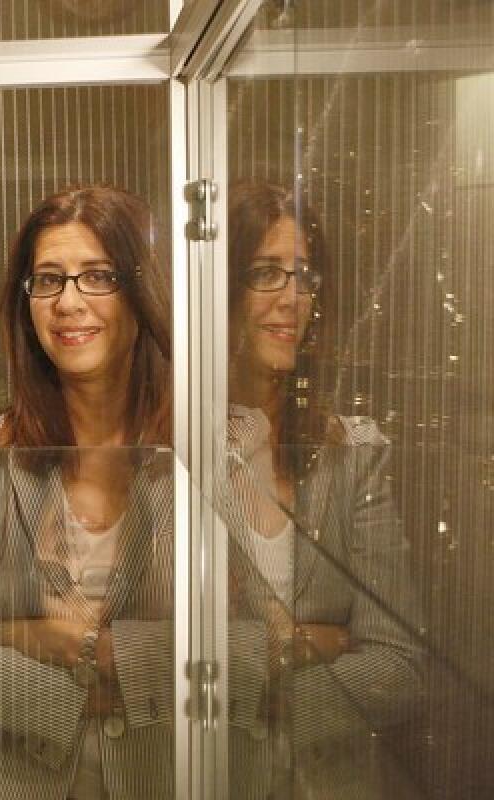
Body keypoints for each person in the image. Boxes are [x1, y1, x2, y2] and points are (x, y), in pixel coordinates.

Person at [0, 184, 246, 800]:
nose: (68, 302)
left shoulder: (211, 444)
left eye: (96, 276)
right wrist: (105, 685)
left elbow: (248, 647)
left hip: (171, 780)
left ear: (138, 294)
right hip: (13, 783)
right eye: (48, 280)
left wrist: (39, 636)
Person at [224, 180, 424, 799]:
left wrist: (263, 691)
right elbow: (147, 663)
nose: (291, 298)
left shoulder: (351, 452)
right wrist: (325, 644)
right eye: (265, 273)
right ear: (220, 287)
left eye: (305, 278)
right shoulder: (165, 452)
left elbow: (402, 666)